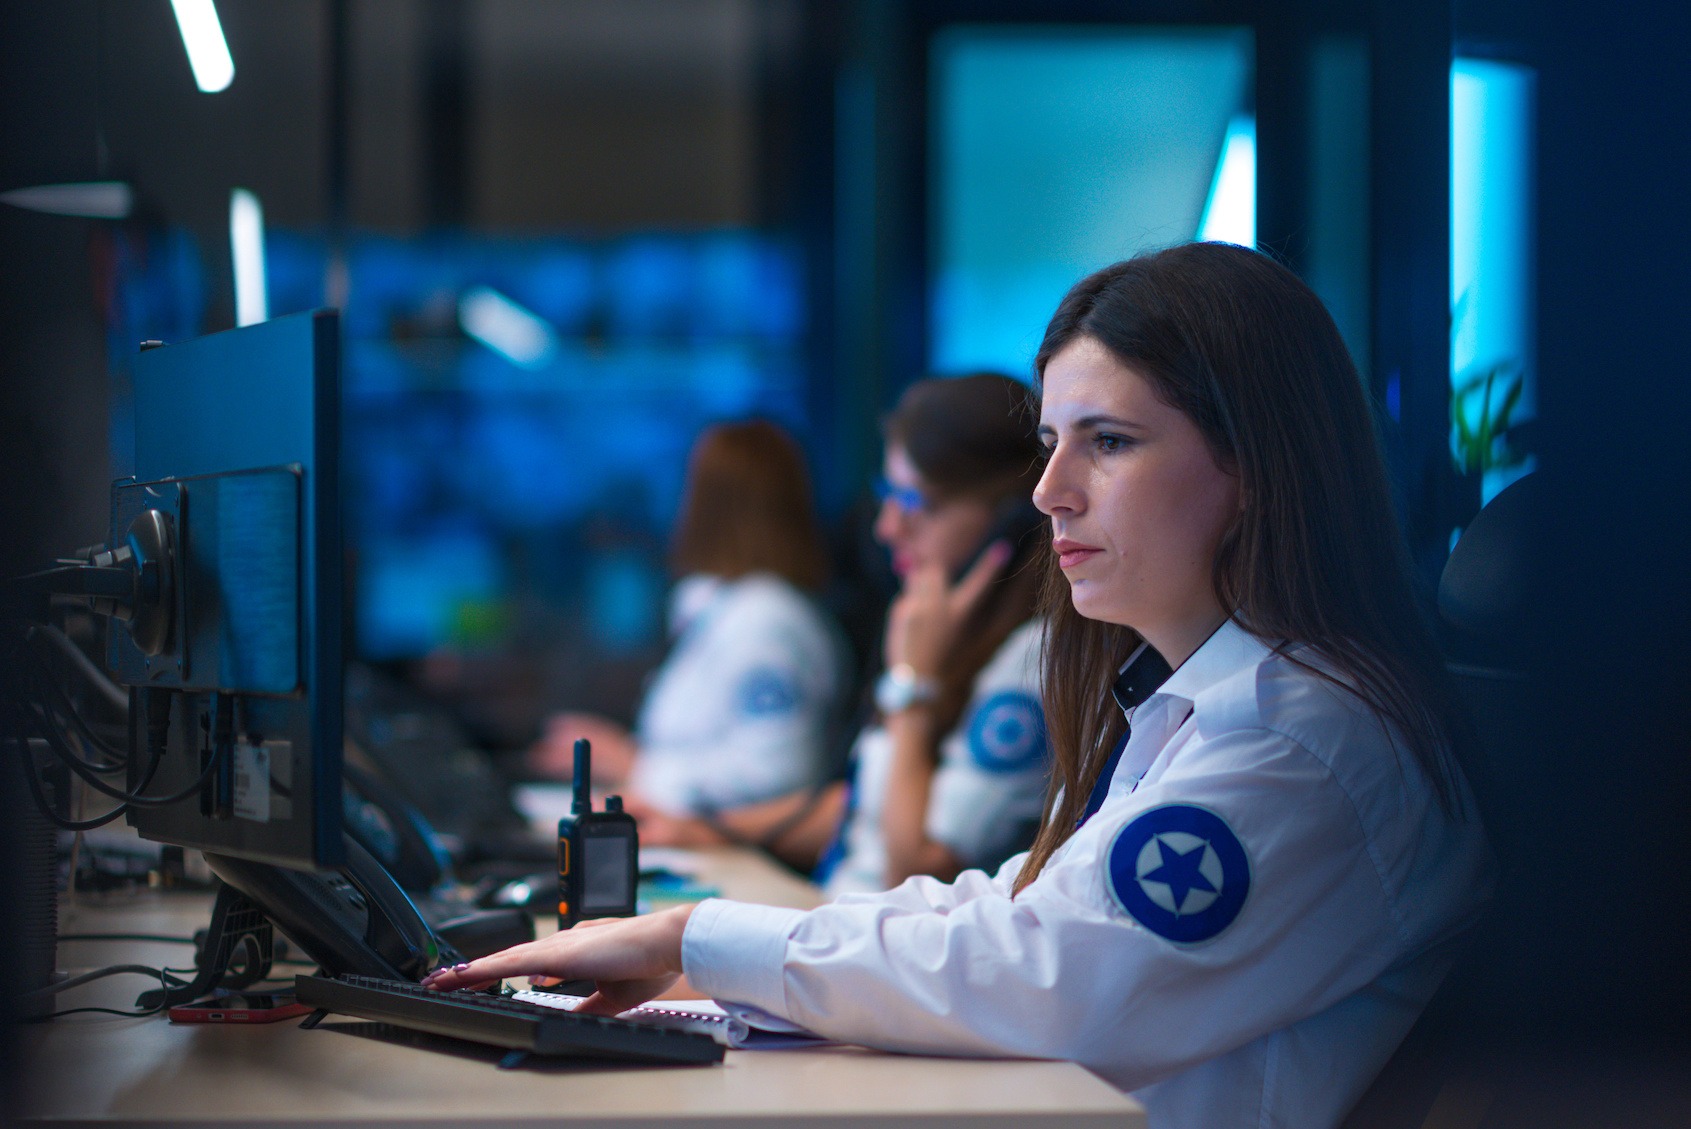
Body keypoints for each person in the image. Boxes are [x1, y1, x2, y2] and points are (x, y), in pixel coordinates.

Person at [427, 244, 1495, 1129]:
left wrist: (697, 936)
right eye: (1047, 445)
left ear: (1255, 466)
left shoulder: (1299, 739)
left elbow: (1044, 971)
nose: (1048, 492)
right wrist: (709, 952)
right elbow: (1021, 907)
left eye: (1108, 443)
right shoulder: (1201, 703)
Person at [635, 374, 1051, 896]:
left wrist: (913, 690)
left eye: (920, 503)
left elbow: (912, 870)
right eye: (888, 496)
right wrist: (705, 831)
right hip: (840, 920)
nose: (889, 528)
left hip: (880, 949)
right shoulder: (945, 631)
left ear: (1012, 520)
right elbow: (857, 811)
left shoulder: (1028, 663)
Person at [530, 420, 842, 817]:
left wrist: (635, 765)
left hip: (746, 861)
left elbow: (778, 775)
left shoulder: (767, 621)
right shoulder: (718, 609)